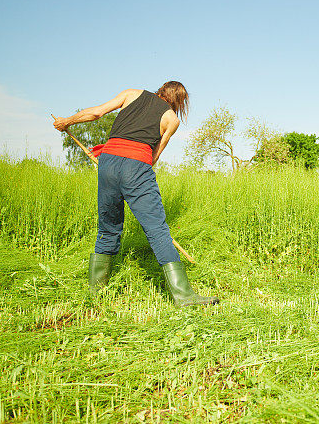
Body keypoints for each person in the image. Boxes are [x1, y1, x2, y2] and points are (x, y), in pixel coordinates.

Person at [53, 82, 218, 307]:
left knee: (108, 226)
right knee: (157, 229)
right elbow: (154, 156)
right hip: (137, 165)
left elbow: (96, 113)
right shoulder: (172, 119)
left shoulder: (131, 94)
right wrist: (133, 170)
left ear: (160, 90)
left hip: (108, 162)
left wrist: (66, 122)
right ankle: (183, 295)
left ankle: (95, 293)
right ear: (179, 101)